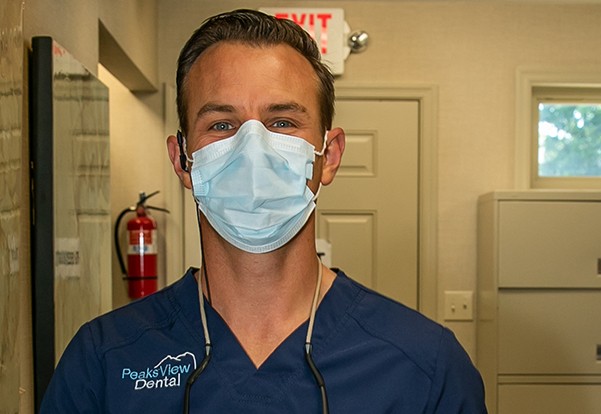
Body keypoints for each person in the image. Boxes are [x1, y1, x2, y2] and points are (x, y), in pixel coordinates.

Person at [40, 9, 487, 413]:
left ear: (328, 156)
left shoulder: (424, 367)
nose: (252, 149)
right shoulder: (103, 362)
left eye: (282, 123)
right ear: (182, 161)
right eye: (222, 124)